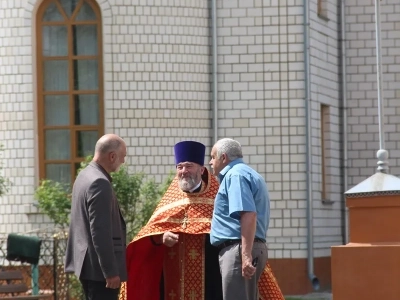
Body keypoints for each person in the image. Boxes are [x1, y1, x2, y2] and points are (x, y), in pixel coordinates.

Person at [120, 140, 223, 300]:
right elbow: (149, 234)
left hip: (209, 275)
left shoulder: (216, 198)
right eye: (179, 167)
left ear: (201, 169)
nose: (184, 171)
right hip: (172, 276)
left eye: (189, 166)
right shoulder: (170, 200)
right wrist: (161, 237)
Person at [210, 138, 282, 300]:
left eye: (213, 157)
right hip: (244, 248)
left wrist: (246, 255)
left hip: (238, 250)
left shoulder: (235, 175)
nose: (210, 161)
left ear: (224, 157)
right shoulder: (248, 173)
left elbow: (248, 214)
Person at [65, 134, 128, 300]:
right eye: (122, 157)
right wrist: (110, 272)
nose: (123, 162)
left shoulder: (84, 175)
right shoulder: (100, 182)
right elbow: (100, 232)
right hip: (100, 273)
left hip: (88, 266)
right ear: (112, 156)